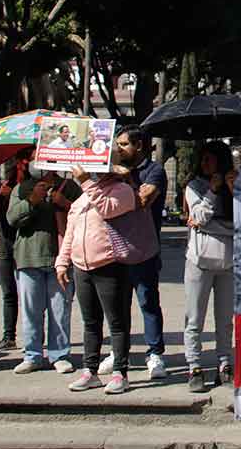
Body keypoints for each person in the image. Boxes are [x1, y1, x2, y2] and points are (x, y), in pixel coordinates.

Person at [55, 163, 137, 394]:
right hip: (82, 267)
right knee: (90, 322)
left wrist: (85, 182)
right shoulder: (83, 196)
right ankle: (89, 371)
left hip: (110, 265)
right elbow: (71, 231)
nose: (95, 171)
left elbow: (107, 209)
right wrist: (62, 261)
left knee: (117, 322)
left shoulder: (122, 190)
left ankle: (120, 373)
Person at [97, 125, 167, 379]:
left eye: (124, 144)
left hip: (144, 248)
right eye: (117, 144)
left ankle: (155, 353)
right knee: (118, 305)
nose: (119, 148)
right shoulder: (111, 171)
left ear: (139, 146)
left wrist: (126, 178)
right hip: (115, 248)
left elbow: (141, 201)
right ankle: (119, 352)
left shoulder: (154, 170)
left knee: (148, 301)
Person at [7, 165, 78, 375]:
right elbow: (11, 219)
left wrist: (64, 203)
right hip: (28, 258)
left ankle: (60, 355)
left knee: (60, 310)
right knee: (31, 311)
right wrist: (32, 200)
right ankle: (32, 355)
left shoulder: (70, 186)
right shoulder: (22, 188)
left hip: (61, 258)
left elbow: (87, 213)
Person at [183, 141, 237, 392]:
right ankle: (194, 366)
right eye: (201, 158)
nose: (204, 163)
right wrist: (213, 191)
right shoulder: (194, 186)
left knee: (225, 319)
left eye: (210, 158)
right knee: (195, 318)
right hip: (200, 261)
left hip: (229, 261)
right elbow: (200, 217)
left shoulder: (234, 185)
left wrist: (230, 188)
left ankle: (225, 364)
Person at [0, 148, 35, 351]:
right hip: (2, 241)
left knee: (30, 292)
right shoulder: (4, 183)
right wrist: (0, 196)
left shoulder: (34, 184)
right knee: (8, 290)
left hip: (26, 242)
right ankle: (9, 335)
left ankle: (33, 337)